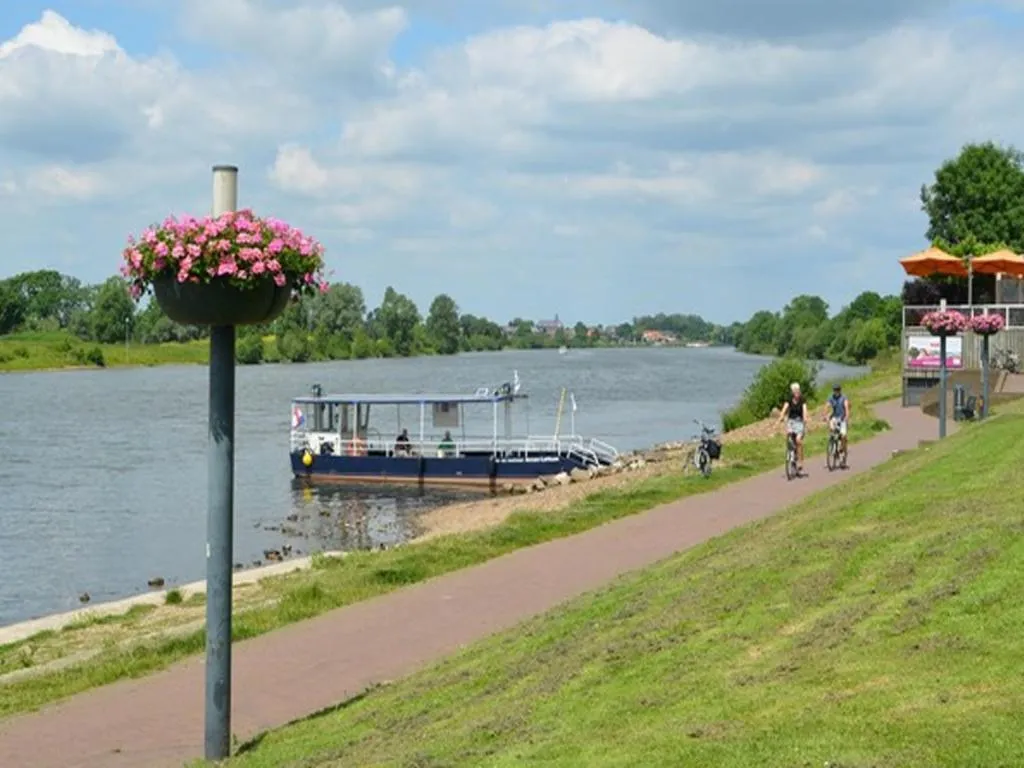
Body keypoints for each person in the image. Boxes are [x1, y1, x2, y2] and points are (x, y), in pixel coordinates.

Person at [778, 382, 809, 472]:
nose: (796, 392)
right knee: (789, 435)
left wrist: (805, 418)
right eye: (794, 390)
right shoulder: (789, 399)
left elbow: (804, 410)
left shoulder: (802, 400)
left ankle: (800, 462)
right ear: (792, 392)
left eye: (797, 390)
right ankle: (791, 453)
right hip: (791, 422)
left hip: (800, 422)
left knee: (798, 440)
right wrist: (781, 417)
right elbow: (784, 409)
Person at [823, 383, 851, 461]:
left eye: (837, 390)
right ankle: (833, 443)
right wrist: (824, 415)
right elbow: (827, 406)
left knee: (843, 435)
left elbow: (846, 407)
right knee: (832, 428)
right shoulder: (831, 397)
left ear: (840, 390)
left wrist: (847, 417)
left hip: (842, 418)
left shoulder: (844, 398)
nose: (836, 391)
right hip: (835, 417)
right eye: (835, 390)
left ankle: (843, 448)